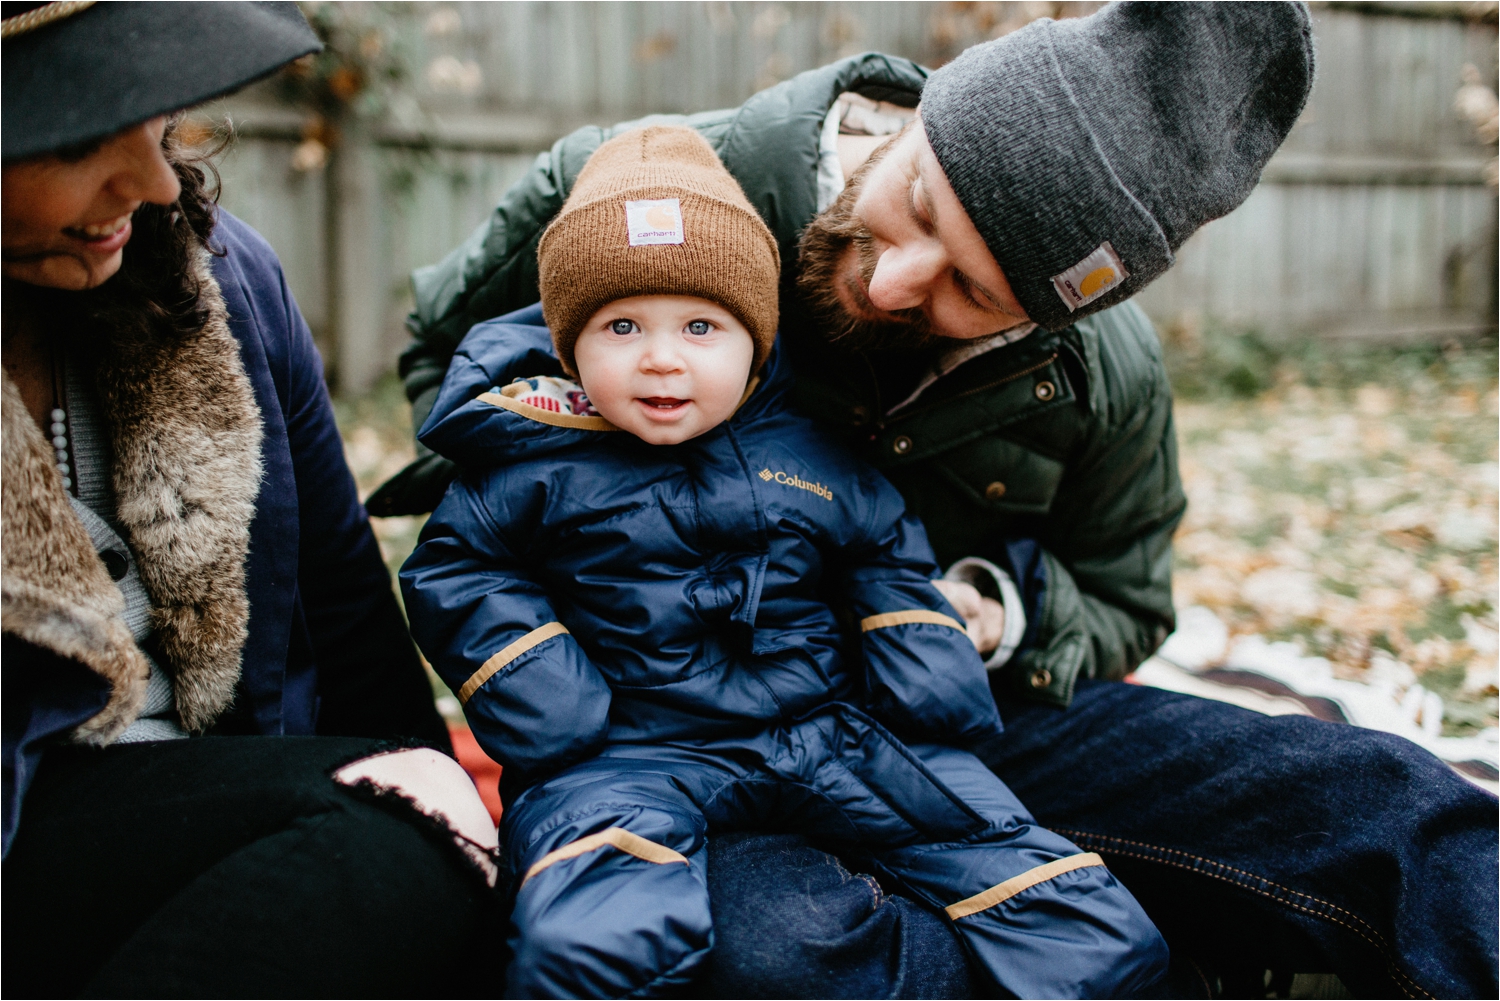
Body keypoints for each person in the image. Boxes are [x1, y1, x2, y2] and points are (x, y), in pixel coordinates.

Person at [381, 3, 1498, 997]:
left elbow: (1122, 595)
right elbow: (450, 367)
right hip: (666, 728)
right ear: (917, 121)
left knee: (1384, 804)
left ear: (1048, 320)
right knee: (780, 951)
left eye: (974, 289)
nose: (894, 279)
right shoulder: (646, 190)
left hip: (954, 714)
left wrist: (986, 610)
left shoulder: (1106, 374)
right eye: (917, 200)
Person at [401, 124, 1169, 998]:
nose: (661, 357)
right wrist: (546, 691)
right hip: (629, 746)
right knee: (592, 919)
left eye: (700, 325)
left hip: (825, 726)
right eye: (620, 326)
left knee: (1041, 884)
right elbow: (457, 567)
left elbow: (880, 544)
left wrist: (922, 661)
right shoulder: (532, 464)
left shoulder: (812, 451)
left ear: (756, 340)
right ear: (569, 343)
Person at [1, 4, 502, 995]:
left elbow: (349, 612)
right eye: (81, 137)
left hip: (224, 809)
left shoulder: (225, 281)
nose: (147, 181)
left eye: (154, 118)